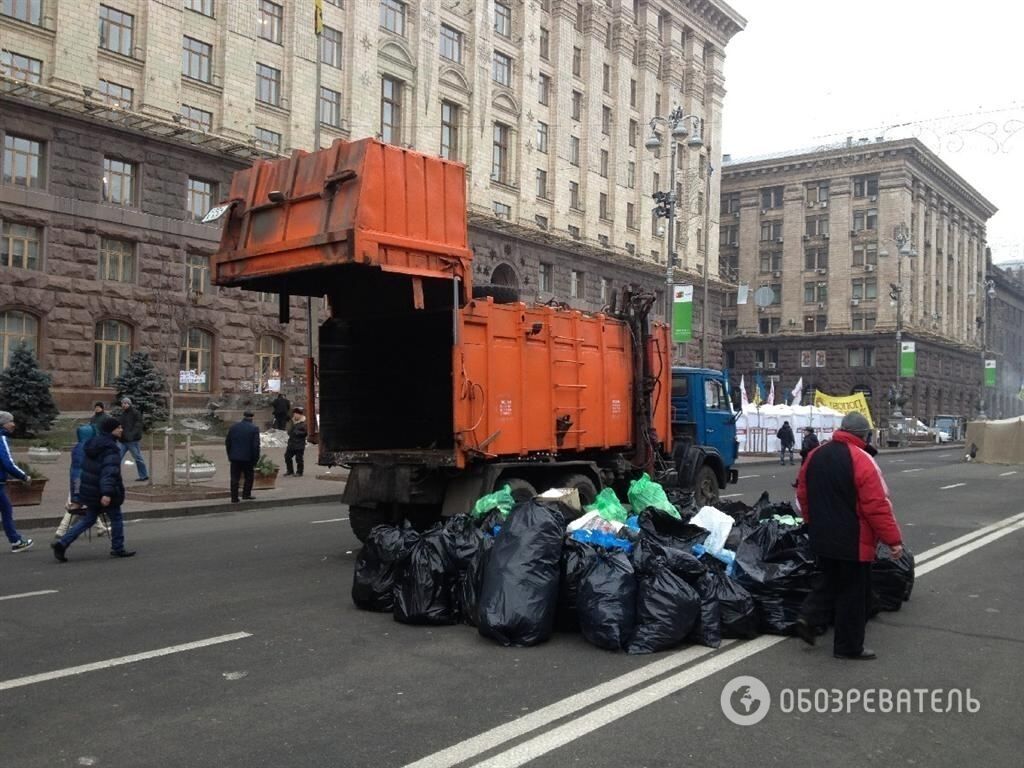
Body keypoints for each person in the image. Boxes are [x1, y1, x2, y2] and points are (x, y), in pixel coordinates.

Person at [795, 411, 903, 661]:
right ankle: (848, 647)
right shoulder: (861, 459)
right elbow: (876, 505)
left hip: (822, 535)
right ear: (863, 435)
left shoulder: (815, 455)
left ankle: (808, 617)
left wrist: (812, 522)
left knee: (828, 580)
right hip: (853, 540)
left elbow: (802, 493)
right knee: (852, 594)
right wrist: (893, 541)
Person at [51, 416, 135, 561]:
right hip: (104, 490)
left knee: (88, 519)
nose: (121, 429)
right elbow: (109, 472)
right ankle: (118, 548)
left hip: (90, 489)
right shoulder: (111, 448)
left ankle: (62, 543)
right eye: (118, 427)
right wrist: (107, 493)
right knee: (116, 518)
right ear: (111, 430)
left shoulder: (92, 444)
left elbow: (86, 469)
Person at [55, 422, 109, 539]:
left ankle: (100, 527)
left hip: (78, 481)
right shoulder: (88, 448)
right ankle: (62, 529)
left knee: (88, 505)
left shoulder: (79, 447)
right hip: (82, 481)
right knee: (77, 505)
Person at [0, 411, 34, 553]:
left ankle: (16, 540)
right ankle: (16, 541)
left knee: (6, 509)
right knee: (6, 510)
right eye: (10, 421)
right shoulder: (1, 438)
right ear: (3, 424)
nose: (13, 424)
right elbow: (7, 463)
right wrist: (24, 476)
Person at [226, 410, 261, 503]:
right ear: (252, 418)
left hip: (235, 457)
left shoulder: (234, 427)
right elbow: (255, 446)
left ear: (244, 416)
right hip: (248, 458)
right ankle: (246, 494)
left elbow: (228, 442)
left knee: (234, 477)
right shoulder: (254, 428)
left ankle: (234, 497)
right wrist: (256, 459)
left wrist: (230, 455)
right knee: (249, 476)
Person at [117, 397, 149, 482]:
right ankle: (115, 476)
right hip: (122, 441)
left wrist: (131, 435)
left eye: (125, 403)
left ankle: (144, 475)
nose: (123, 405)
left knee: (138, 458)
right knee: (116, 458)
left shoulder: (136, 413)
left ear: (129, 404)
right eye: (122, 403)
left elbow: (137, 426)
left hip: (132, 441)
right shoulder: (122, 414)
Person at [284, 407, 308, 477]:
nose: (295, 415)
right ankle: (290, 471)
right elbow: (288, 430)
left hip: (299, 444)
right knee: (287, 457)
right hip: (291, 443)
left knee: (299, 459)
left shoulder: (303, 423)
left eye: (297, 414)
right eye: (294, 414)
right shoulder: (292, 422)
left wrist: (297, 432)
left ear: (300, 415)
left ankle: (299, 472)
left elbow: (305, 433)